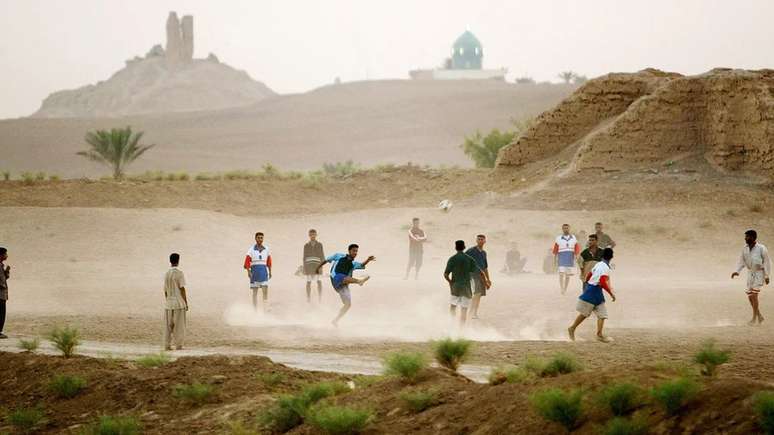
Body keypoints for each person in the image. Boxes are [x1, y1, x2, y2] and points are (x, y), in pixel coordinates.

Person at [317, 244, 375, 326]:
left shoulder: (353, 264)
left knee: (348, 304)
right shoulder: (338, 256)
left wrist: (368, 260)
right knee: (341, 276)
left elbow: (361, 265)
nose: (355, 253)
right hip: (335, 279)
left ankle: (335, 320)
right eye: (354, 251)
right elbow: (326, 260)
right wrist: (318, 267)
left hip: (343, 285)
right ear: (349, 251)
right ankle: (359, 281)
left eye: (356, 251)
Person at [568, 247, 616, 342]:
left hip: (595, 291)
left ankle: (599, 334)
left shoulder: (599, 264)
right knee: (585, 314)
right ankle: (572, 328)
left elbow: (590, 273)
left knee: (602, 315)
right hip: (593, 291)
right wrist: (611, 293)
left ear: (602, 256)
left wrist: (587, 281)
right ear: (611, 257)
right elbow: (602, 281)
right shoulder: (606, 268)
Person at [731, 229, 770, 325]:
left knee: (754, 295)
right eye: (745, 236)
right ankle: (759, 316)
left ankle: (754, 319)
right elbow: (741, 261)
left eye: (747, 236)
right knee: (750, 296)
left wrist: (767, 275)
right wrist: (737, 271)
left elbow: (767, 262)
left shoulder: (761, 248)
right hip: (750, 274)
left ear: (753, 237)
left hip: (759, 273)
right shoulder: (744, 248)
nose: (745, 238)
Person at [444, 240, 484, 327]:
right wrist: (486, 281)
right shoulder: (469, 259)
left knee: (453, 307)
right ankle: (461, 329)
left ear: (455, 248)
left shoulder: (452, 259)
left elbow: (446, 274)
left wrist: (450, 282)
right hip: (466, 287)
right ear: (464, 247)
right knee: (464, 309)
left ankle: (452, 325)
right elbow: (479, 272)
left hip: (456, 287)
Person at [163, 253, 188, 351]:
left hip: (169, 303)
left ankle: (167, 345)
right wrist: (186, 302)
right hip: (178, 303)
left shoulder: (166, 274)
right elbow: (182, 289)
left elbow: (165, 290)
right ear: (178, 261)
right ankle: (179, 345)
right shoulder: (179, 273)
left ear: (170, 261)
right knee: (179, 325)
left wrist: (168, 300)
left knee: (168, 326)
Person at [244, 232, 272, 311]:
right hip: (255, 273)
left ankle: (265, 309)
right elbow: (247, 261)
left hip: (263, 272)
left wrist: (270, 271)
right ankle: (254, 310)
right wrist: (248, 271)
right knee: (255, 293)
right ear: (255, 238)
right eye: (258, 237)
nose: (260, 239)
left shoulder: (266, 249)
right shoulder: (251, 249)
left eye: (261, 238)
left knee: (265, 291)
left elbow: (269, 261)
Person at [466, 234, 492, 319]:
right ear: (476, 240)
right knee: (477, 293)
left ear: (485, 241)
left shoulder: (484, 253)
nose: (480, 241)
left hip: (482, 276)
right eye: (479, 239)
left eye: (482, 239)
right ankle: (471, 312)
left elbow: (485, 267)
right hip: (473, 275)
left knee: (479, 295)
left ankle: (474, 313)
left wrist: (488, 279)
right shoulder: (471, 251)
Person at [553, 224, 580, 294]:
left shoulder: (573, 237)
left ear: (569, 229)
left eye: (567, 228)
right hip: (561, 257)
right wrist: (555, 259)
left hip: (570, 257)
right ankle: (562, 288)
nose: (566, 229)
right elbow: (555, 249)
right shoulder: (558, 238)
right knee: (561, 274)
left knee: (567, 275)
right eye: (564, 228)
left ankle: (565, 288)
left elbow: (576, 247)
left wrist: (576, 255)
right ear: (562, 229)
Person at [303, 229, 326, 303]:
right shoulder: (306, 245)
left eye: (314, 234)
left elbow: (322, 255)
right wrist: (304, 267)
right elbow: (304, 257)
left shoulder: (319, 244)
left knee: (319, 281)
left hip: (317, 265)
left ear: (316, 235)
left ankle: (320, 297)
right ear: (309, 235)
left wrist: (322, 265)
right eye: (311, 235)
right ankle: (308, 298)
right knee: (308, 281)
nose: (312, 236)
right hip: (309, 266)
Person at [0, 247, 10, 339]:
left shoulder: (1, 266)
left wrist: (6, 273)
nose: (6, 255)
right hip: (0, 295)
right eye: (5, 254)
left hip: (2, 294)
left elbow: (2, 279)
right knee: (1, 313)